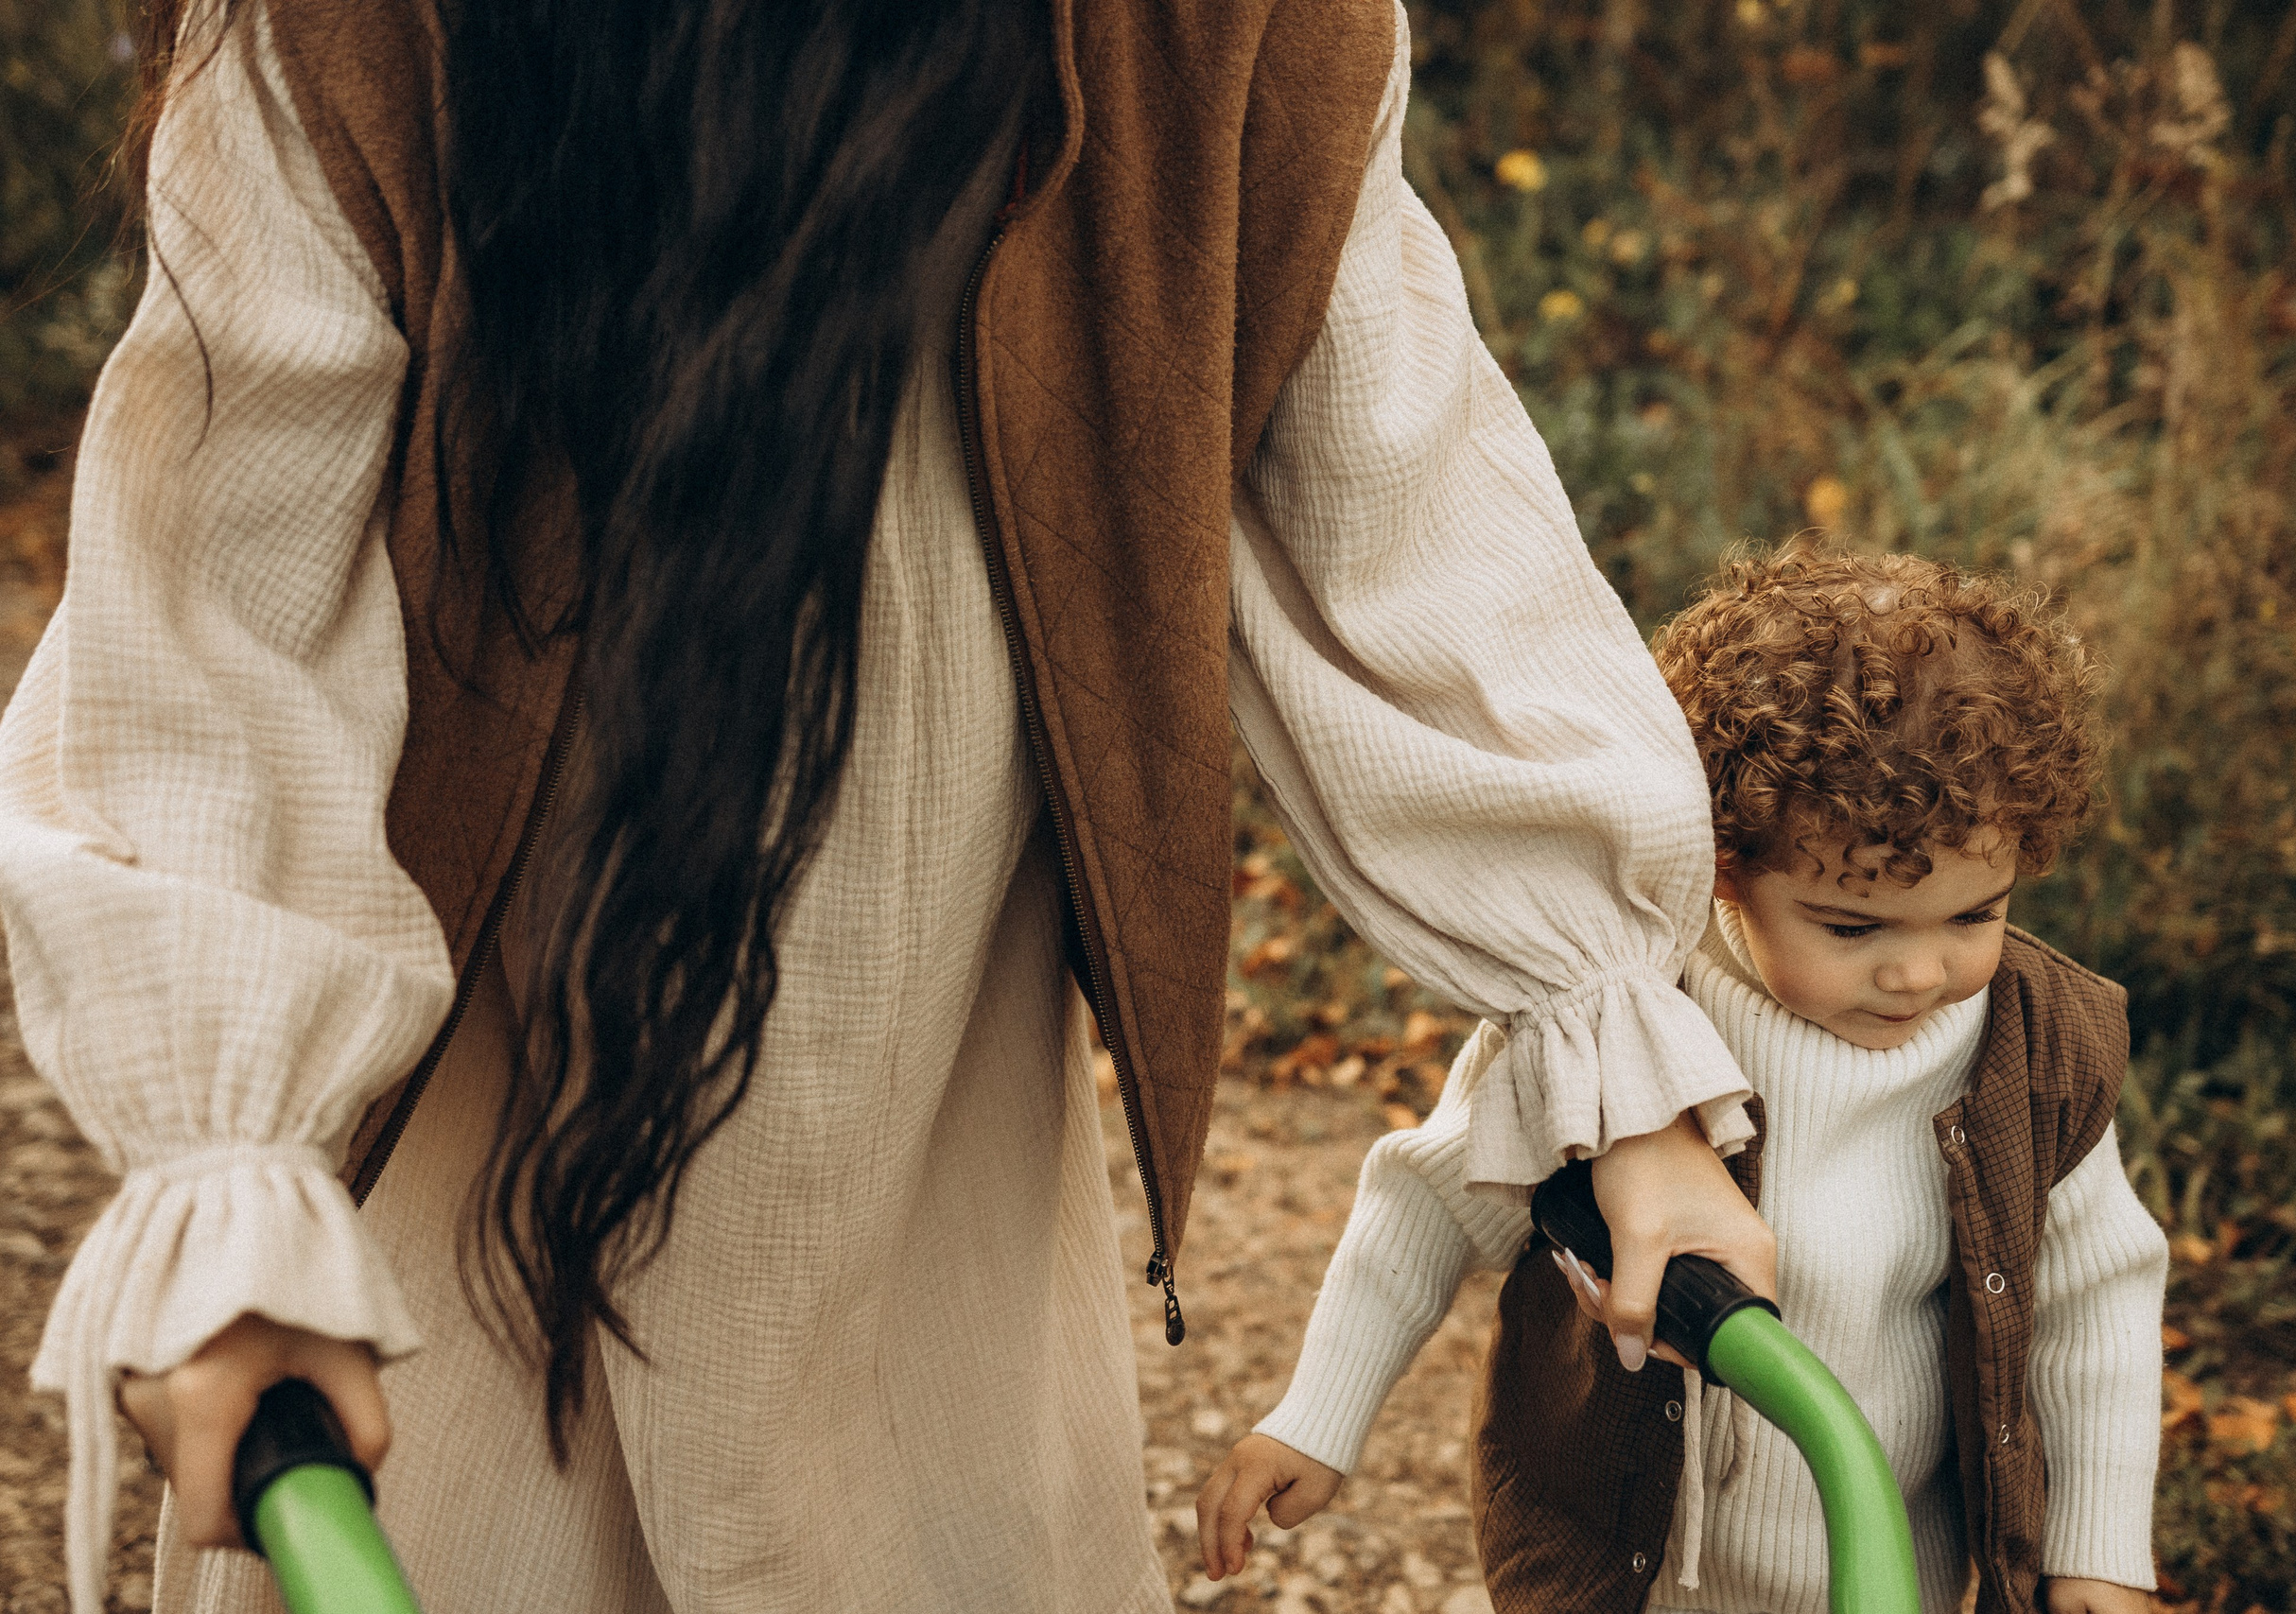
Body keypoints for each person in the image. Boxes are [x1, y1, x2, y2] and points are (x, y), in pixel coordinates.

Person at [0, 1, 1783, 1610]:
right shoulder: (356, 32)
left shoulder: (1224, 35)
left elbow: (1399, 504)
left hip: (923, 1049)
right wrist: (233, 1166)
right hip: (490, 1028)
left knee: (908, 1502)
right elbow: (225, 601)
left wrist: (1614, 1071)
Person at [1196, 548, 2169, 1614]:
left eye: (1974, 915)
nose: (1919, 972)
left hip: (1895, 1568)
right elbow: (1429, 1202)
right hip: (1640, 1573)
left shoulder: (2035, 1051)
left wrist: (2098, 1546)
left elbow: (2095, 1300)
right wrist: (1317, 1417)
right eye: (1853, 928)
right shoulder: (1608, 1013)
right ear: (1722, 864)